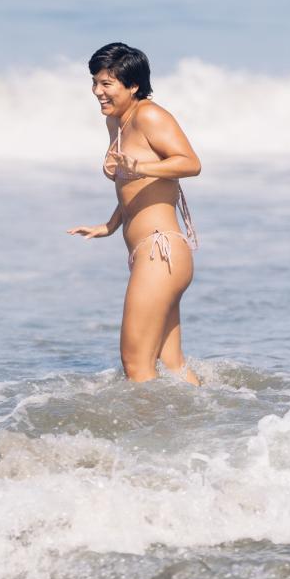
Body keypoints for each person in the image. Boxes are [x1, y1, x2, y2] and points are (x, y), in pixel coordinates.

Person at [67, 43, 202, 384]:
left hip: (161, 251)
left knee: (135, 364)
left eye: (107, 84)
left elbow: (190, 163)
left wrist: (140, 165)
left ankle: (151, 437)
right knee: (172, 366)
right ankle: (211, 430)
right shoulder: (117, 123)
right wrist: (111, 225)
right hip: (150, 254)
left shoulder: (149, 115)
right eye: (95, 83)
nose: (98, 91)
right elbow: (133, 189)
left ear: (134, 86)